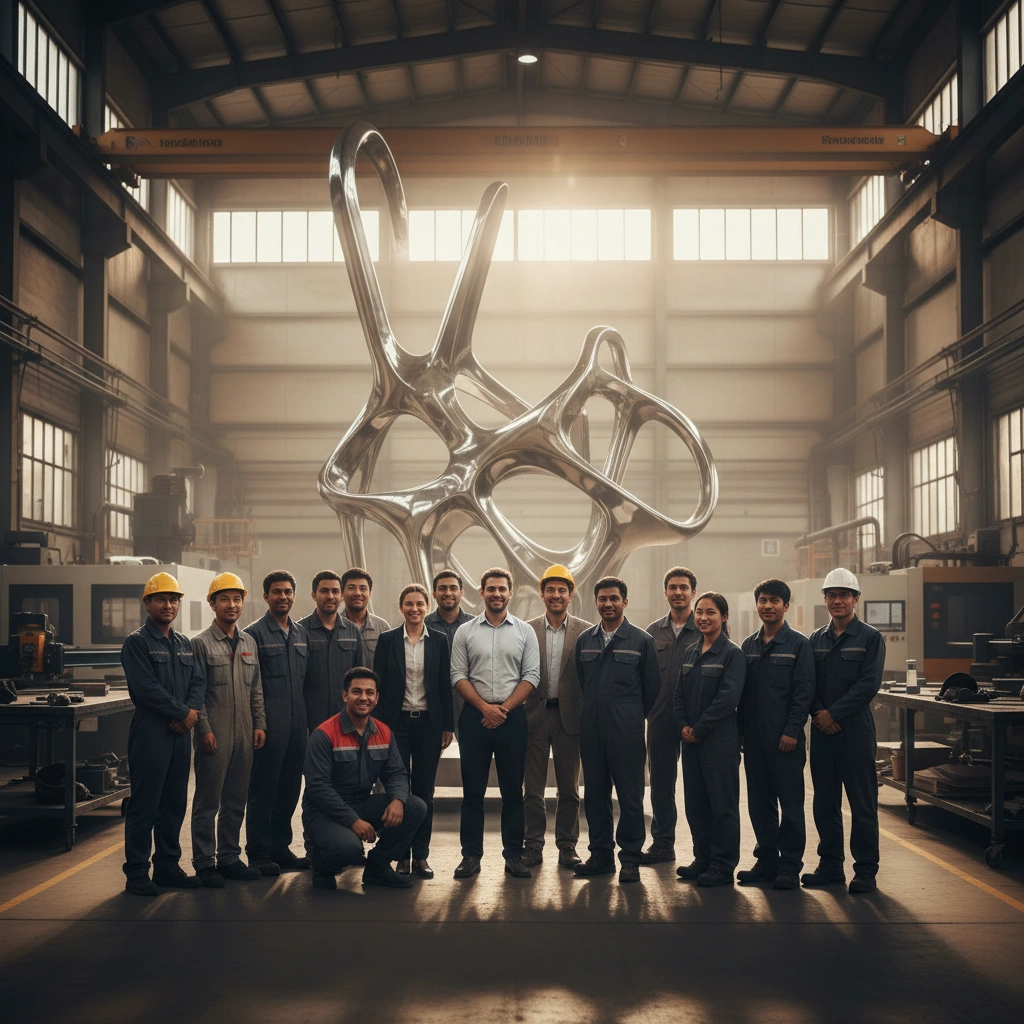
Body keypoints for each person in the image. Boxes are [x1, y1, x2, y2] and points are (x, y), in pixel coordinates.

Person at [450, 568, 540, 879]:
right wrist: (484, 708)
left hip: (512, 719)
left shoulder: (525, 632)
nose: (496, 594)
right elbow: (458, 675)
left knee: (513, 792)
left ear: (510, 592)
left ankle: (514, 856)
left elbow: (531, 677)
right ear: (482, 592)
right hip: (474, 718)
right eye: (491, 589)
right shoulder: (465, 631)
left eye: (502, 589)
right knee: (472, 793)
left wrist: (502, 709)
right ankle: (470, 857)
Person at [302, 668, 428, 890]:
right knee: (350, 849)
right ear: (344, 695)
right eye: (356, 691)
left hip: (361, 802)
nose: (363, 697)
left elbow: (397, 773)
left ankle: (377, 868)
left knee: (415, 806)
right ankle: (322, 865)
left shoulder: (384, 732)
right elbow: (318, 788)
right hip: (323, 812)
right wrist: (353, 820)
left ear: (376, 698)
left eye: (369, 692)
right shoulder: (324, 734)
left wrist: (398, 799)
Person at [120, 572, 206, 896]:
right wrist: (182, 713)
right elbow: (146, 689)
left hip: (180, 735)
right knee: (146, 805)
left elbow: (198, 682)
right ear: (147, 603)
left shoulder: (184, 644)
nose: (168, 605)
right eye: (161, 599)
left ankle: (168, 866)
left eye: (173, 600)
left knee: (173, 803)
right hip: (150, 732)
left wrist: (189, 714)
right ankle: (137, 872)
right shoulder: (137, 643)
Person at [804, 568, 885, 894]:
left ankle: (865, 870)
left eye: (844, 595)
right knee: (825, 803)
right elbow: (806, 683)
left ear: (855, 599)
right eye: (832, 596)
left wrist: (831, 714)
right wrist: (818, 714)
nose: (837, 601)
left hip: (855, 731)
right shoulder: (815, 639)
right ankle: (830, 866)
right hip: (823, 734)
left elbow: (869, 684)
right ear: (825, 599)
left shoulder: (870, 638)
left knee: (862, 804)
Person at [574, 576, 659, 884]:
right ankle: (600, 856)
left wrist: (630, 715)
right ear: (595, 602)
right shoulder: (586, 640)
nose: (607, 604)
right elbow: (585, 684)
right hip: (592, 728)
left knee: (630, 797)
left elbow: (652, 689)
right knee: (595, 796)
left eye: (613, 598)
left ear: (625, 602)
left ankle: (630, 858)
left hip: (627, 731)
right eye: (602, 599)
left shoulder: (640, 640)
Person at [189, 573, 267, 887]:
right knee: (208, 801)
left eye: (236, 599)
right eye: (224, 599)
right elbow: (197, 692)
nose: (231, 605)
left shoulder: (249, 641)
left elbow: (256, 688)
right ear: (212, 603)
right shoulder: (200, 644)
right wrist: (203, 729)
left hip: (246, 733)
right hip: (215, 733)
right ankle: (205, 863)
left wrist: (260, 723)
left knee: (237, 799)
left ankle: (230, 858)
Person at [737, 578, 815, 891]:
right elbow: (742, 695)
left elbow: (804, 691)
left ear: (786, 606)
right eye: (763, 600)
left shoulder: (799, 644)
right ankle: (767, 860)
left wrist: (793, 730)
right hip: (754, 740)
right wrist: (741, 732)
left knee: (791, 805)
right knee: (759, 803)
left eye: (774, 601)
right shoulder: (749, 646)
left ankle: (790, 865)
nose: (767, 606)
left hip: (786, 740)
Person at [373, 584, 454, 879]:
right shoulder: (387, 640)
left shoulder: (440, 641)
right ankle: (400, 856)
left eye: (420, 604)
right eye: (409, 604)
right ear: (401, 608)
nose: (415, 609)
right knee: (398, 791)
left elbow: (445, 686)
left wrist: (447, 725)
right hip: (396, 725)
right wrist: (379, 727)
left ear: (427, 606)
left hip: (429, 726)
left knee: (425, 793)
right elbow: (378, 687)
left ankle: (420, 856)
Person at [674, 592, 746, 887]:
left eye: (711, 612)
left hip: (719, 742)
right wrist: (682, 726)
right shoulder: (691, 652)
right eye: (700, 612)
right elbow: (679, 695)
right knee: (696, 804)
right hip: (691, 742)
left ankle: (723, 864)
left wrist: (699, 728)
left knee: (722, 804)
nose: (703, 617)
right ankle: (702, 857)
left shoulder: (732, 654)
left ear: (724, 617)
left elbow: (727, 700)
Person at [243, 570, 310, 876]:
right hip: (269, 725)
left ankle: (280, 849)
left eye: (287, 592)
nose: (282, 597)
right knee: (263, 790)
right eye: (276, 592)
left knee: (289, 790)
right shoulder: (253, 634)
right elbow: (250, 684)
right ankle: (257, 852)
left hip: (298, 725)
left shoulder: (300, 634)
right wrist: (259, 723)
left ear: (294, 596)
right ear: (266, 596)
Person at [523, 565, 589, 869]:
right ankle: (533, 846)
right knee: (533, 789)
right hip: (534, 716)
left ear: (571, 594)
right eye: (550, 590)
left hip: (569, 719)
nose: (556, 595)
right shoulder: (526, 630)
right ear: (542, 594)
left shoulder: (586, 632)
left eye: (562, 590)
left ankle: (567, 847)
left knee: (569, 790)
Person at [642, 566, 700, 866]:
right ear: (665, 592)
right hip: (662, 718)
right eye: (673, 587)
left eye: (684, 587)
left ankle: (704, 851)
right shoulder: (653, 632)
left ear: (693, 592)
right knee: (662, 784)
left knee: (697, 786)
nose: (678, 592)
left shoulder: (705, 626)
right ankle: (663, 844)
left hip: (696, 721)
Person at [298, 570, 363, 730]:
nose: (330, 596)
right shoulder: (300, 631)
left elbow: (359, 676)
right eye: (324, 591)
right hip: (312, 717)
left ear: (341, 596)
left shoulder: (352, 631)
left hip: (345, 715)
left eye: (335, 591)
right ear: (314, 595)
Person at [425, 569, 474, 734]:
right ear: (434, 593)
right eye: (442, 588)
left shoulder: (476, 625)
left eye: (453, 588)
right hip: (433, 704)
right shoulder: (423, 625)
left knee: (471, 757)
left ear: (461, 592)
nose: (448, 593)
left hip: (469, 703)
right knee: (429, 758)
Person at [341, 567, 391, 667]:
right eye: (351, 588)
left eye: (363, 589)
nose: (357, 593)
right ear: (342, 593)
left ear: (370, 593)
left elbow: (390, 666)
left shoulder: (382, 628)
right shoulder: (333, 626)